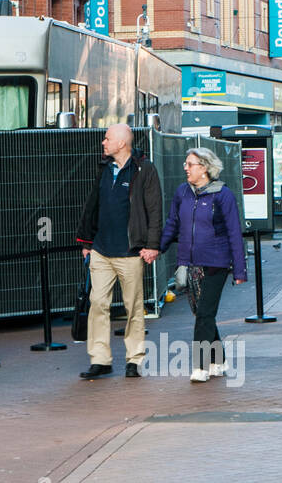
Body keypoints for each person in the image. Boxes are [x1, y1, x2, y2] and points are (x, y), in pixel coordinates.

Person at [75, 123, 163, 379]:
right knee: (97, 304)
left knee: (133, 307)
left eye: (107, 139)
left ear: (122, 143)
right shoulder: (104, 168)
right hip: (101, 251)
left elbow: (155, 209)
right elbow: (93, 204)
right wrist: (86, 241)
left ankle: (134, 359)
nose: (103, 143)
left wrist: (152, 245)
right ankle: (100, 359)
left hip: (130, 252)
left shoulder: (144, 169)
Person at [158, 147, 247, 382]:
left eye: (190, 164)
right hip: (190, 263)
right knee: (202, 313)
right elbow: (172, 223)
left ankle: (201, 366)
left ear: (205, 168)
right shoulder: (182, 193)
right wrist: (158, 248)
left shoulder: (223, 195)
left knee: (205, 314)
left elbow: (234, 233)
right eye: (186, 164)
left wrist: (239, 270)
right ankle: (220, 360)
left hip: (216, 263)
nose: (185, 168)